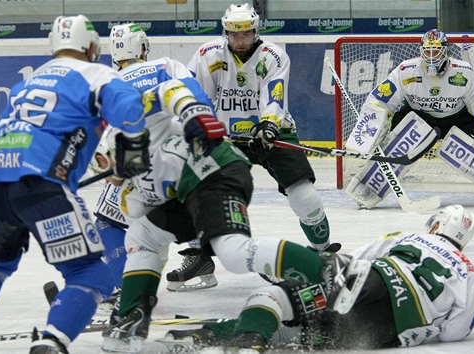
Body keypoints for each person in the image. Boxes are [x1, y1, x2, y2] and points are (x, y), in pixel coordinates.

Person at [98, 77, 345, 353]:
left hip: (218, 173)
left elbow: (171, 88)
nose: (105, 172)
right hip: (189, 198)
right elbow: (151, 251)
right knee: (141, 232)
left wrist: (193, 113)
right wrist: (132, 293)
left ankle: (323, 270)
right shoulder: (130, 197)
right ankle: (133, 315)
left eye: (103, 160)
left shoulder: (137, 121)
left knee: (234, 254)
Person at [0, 15, 152, 354]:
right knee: (91, 275)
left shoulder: (29, 83)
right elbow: (131, 106)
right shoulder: (96, 73)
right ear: (92, 46)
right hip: (41, 188)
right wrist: (133, 152)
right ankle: (51, 345)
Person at [161, 204, 474, 352]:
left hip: (373, 281)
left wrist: (328, 269)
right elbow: (455, 332)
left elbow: (357, 262)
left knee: (276, 298)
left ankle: (221, 328)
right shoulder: (470, 275)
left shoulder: (409, 237)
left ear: (435, 225)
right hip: (389, 328)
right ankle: (252, 338)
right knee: (307, 336)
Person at [187, 3, 336, 255]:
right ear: (226, 32)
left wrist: (268, 126)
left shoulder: (273, 56)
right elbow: (195, 97)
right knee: (194, 188)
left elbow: (274, 95)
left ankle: (322, 251)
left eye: (245, 34)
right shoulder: (207, 54)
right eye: (234, 34)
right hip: (225, 136)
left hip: (271, 130)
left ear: (256, 31)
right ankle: (199, 256)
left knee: (304, 195)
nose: (240, 40)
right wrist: (199, 127)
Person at [92, 24, 218, 309]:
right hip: (181, 156)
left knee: (110, 220)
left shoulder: (107, 82)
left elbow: (106, 133)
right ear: (143, 48)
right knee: (168, 214)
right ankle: (194, 259)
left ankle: (131, 289)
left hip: (137, 159)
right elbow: (199, 100)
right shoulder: (167, 65)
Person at [344, 29, 474, 208]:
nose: (431, 56)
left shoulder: (463, 72)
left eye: (436, 51)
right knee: (395, 150)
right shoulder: (406, 70)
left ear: (446, 51)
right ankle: (367, 188)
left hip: (458, 118)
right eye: (427, 52)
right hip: (419, 117)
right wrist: (374, 125)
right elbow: (379, 100)